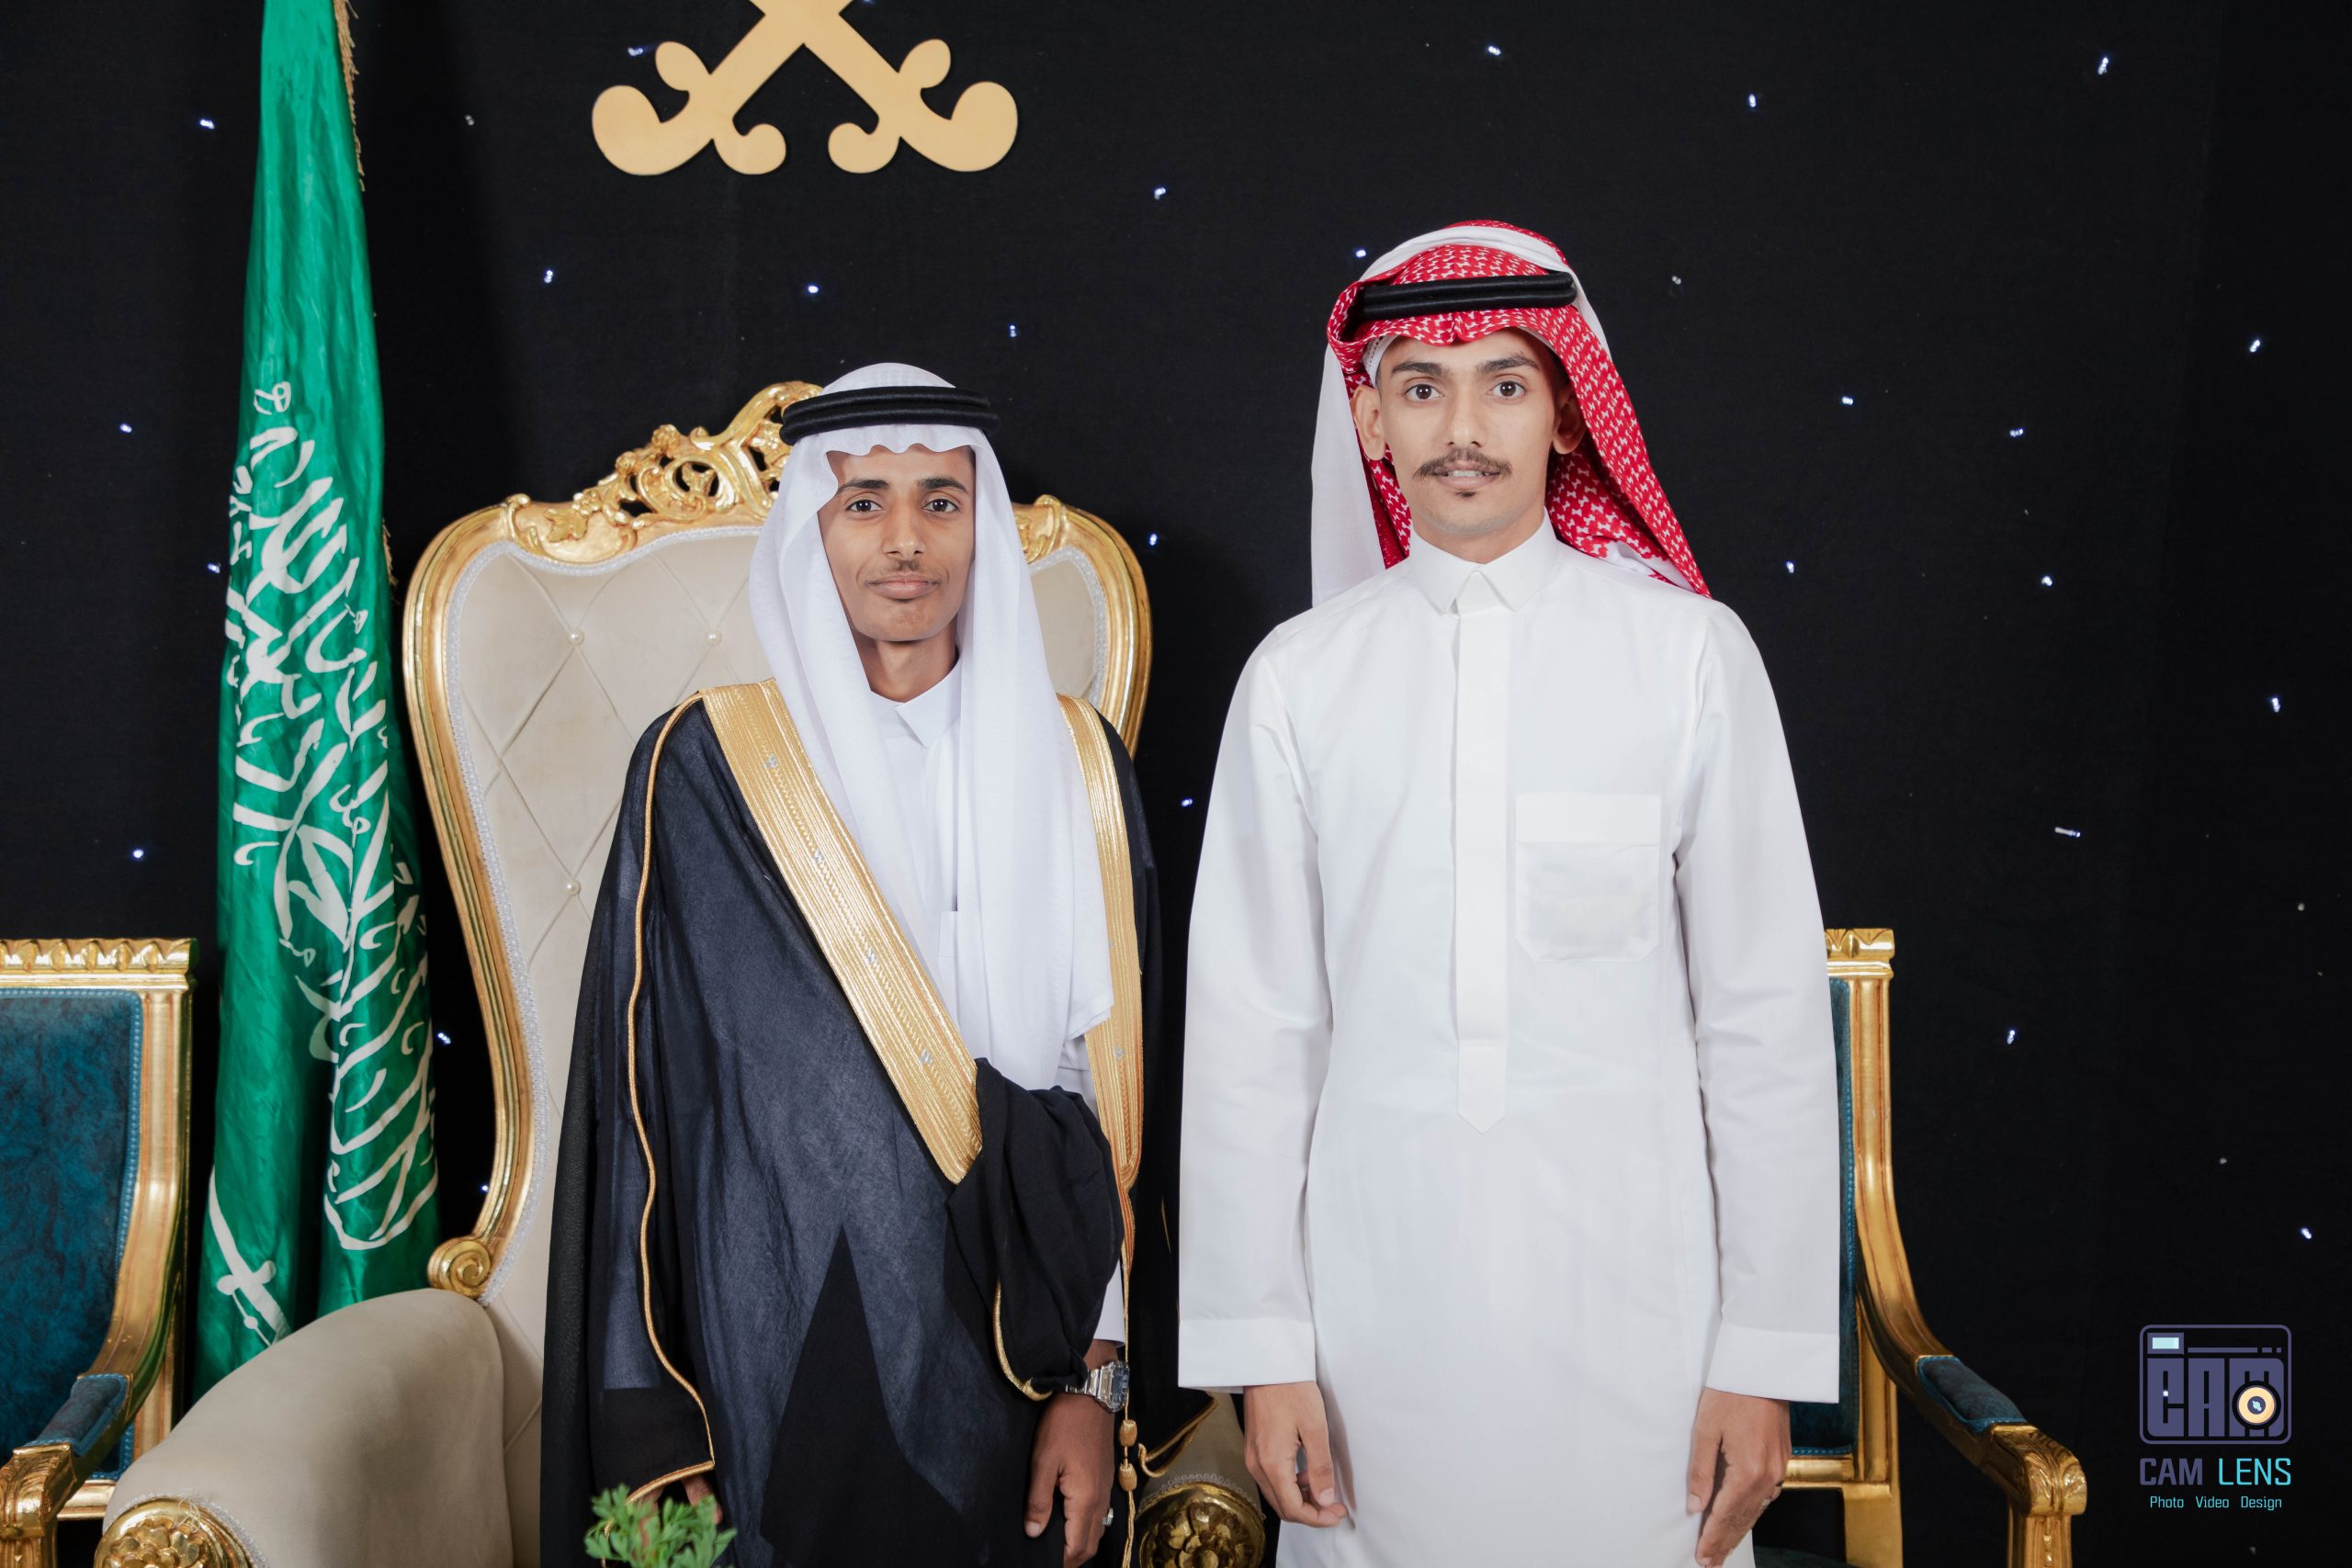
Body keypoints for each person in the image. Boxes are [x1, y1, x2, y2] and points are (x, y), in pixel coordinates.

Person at [1177, 224, 1840, 1568]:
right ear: (1371, 418)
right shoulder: (1297, 680)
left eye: (1506, 384)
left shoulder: (1690, 657)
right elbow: (1253, 1039)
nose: (1463, 429)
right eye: (1422, 386)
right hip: (1370, 1338)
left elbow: (1762, 1025)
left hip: (1646, 1336)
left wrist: (1763, 1357)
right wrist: (1263, 1352)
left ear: (1566, 412)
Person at [542, 364, 1204, 1568]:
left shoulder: (1076, 764)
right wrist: (656, 1423)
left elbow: (1105, 1105)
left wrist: (1092, 1384)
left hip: (1015, 1362)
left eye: (942, 501)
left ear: (982, 527)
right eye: (864, 503)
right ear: (813, 531)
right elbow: (643, 1117)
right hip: (771, 1349)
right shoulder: (706, 767)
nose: (906, 539)